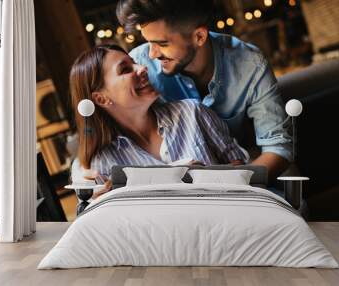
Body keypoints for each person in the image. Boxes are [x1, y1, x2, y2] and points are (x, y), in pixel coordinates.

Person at [116, 0, 292, 181]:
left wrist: (233, 185)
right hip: (172, 181)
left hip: (241, 165)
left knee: (291, 181)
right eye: (148, 43)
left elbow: (278, 146)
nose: (152, 54)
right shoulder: (138, 67)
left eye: (162, 43)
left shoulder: (250, 64)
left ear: (199, 36)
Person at [69, 44, 248, 195]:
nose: (142, 68)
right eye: (125, 69)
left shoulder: (192, 112)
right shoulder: (103, 164)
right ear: (101, 99)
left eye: (135, 63)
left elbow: (241, 170)